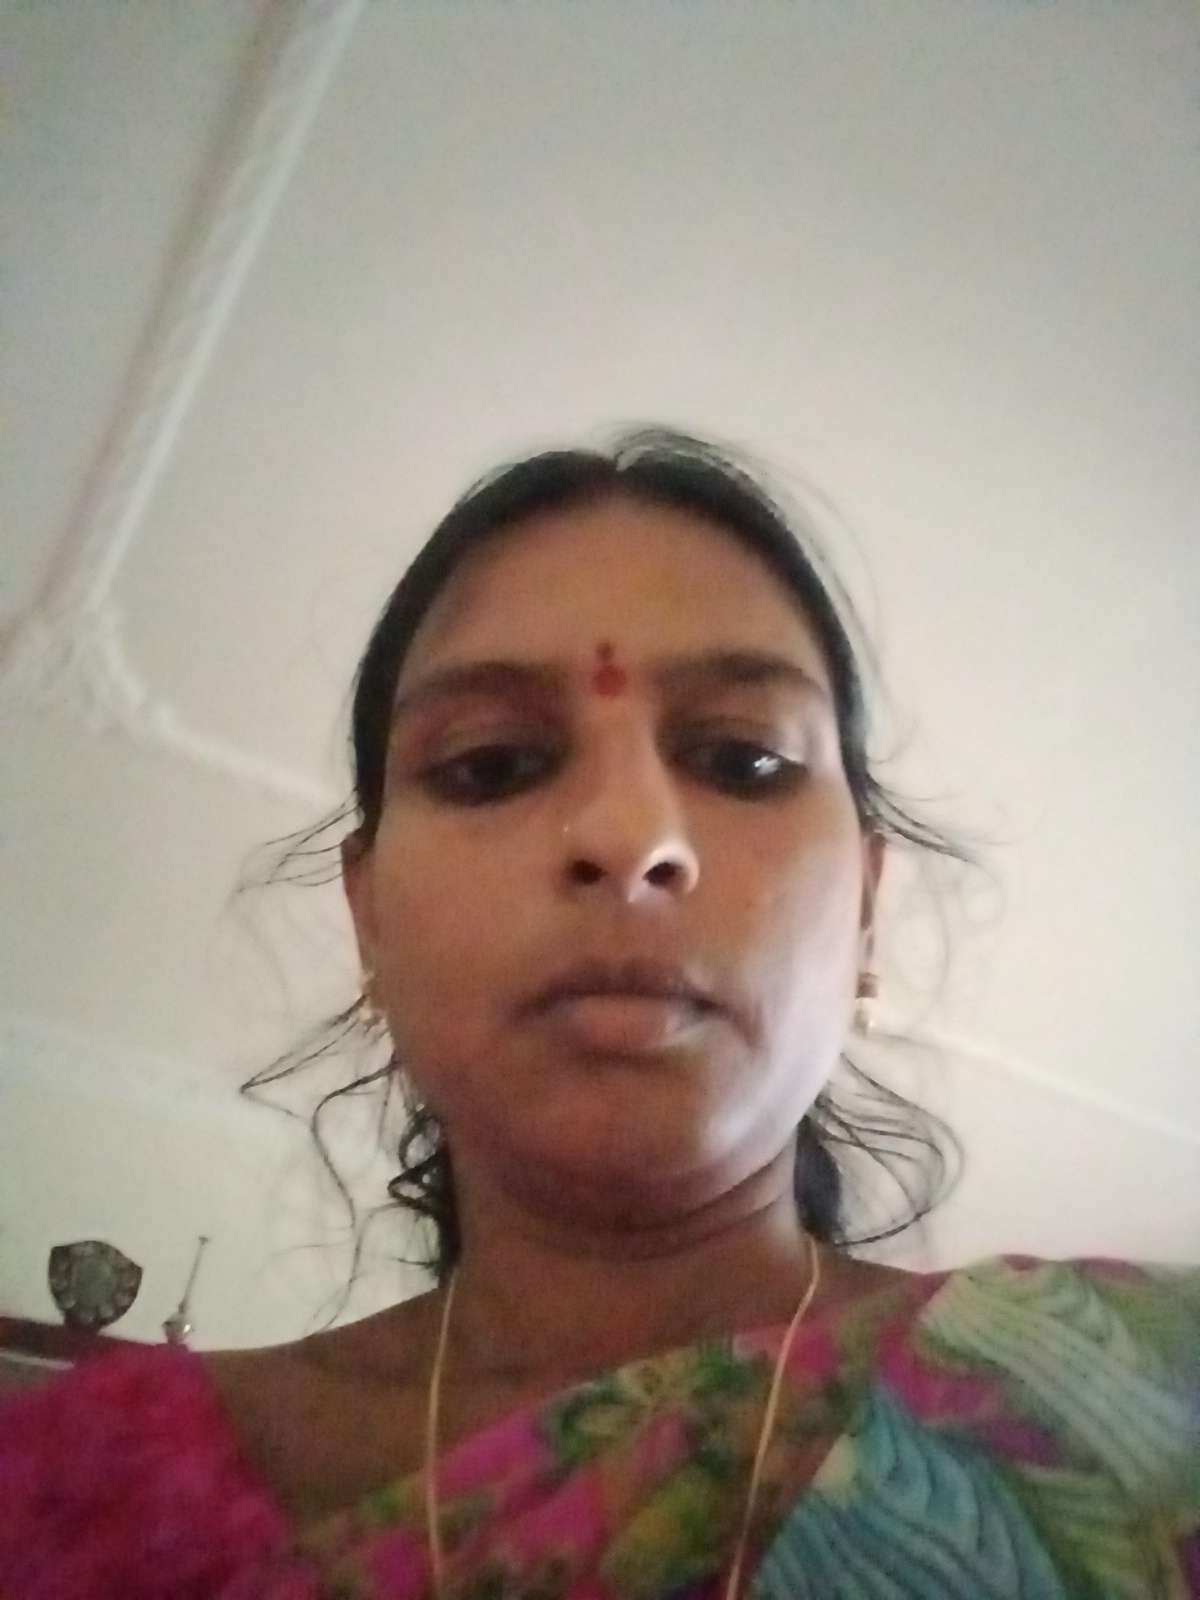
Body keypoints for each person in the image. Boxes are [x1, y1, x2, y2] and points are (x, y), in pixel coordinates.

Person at [1, 430, 1196, 1599]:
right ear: (368, 922)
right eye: (490, 764)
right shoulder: (66, 1498)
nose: (631, 837)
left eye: (743, 759)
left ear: (868, 910)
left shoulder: (1148, 1407)